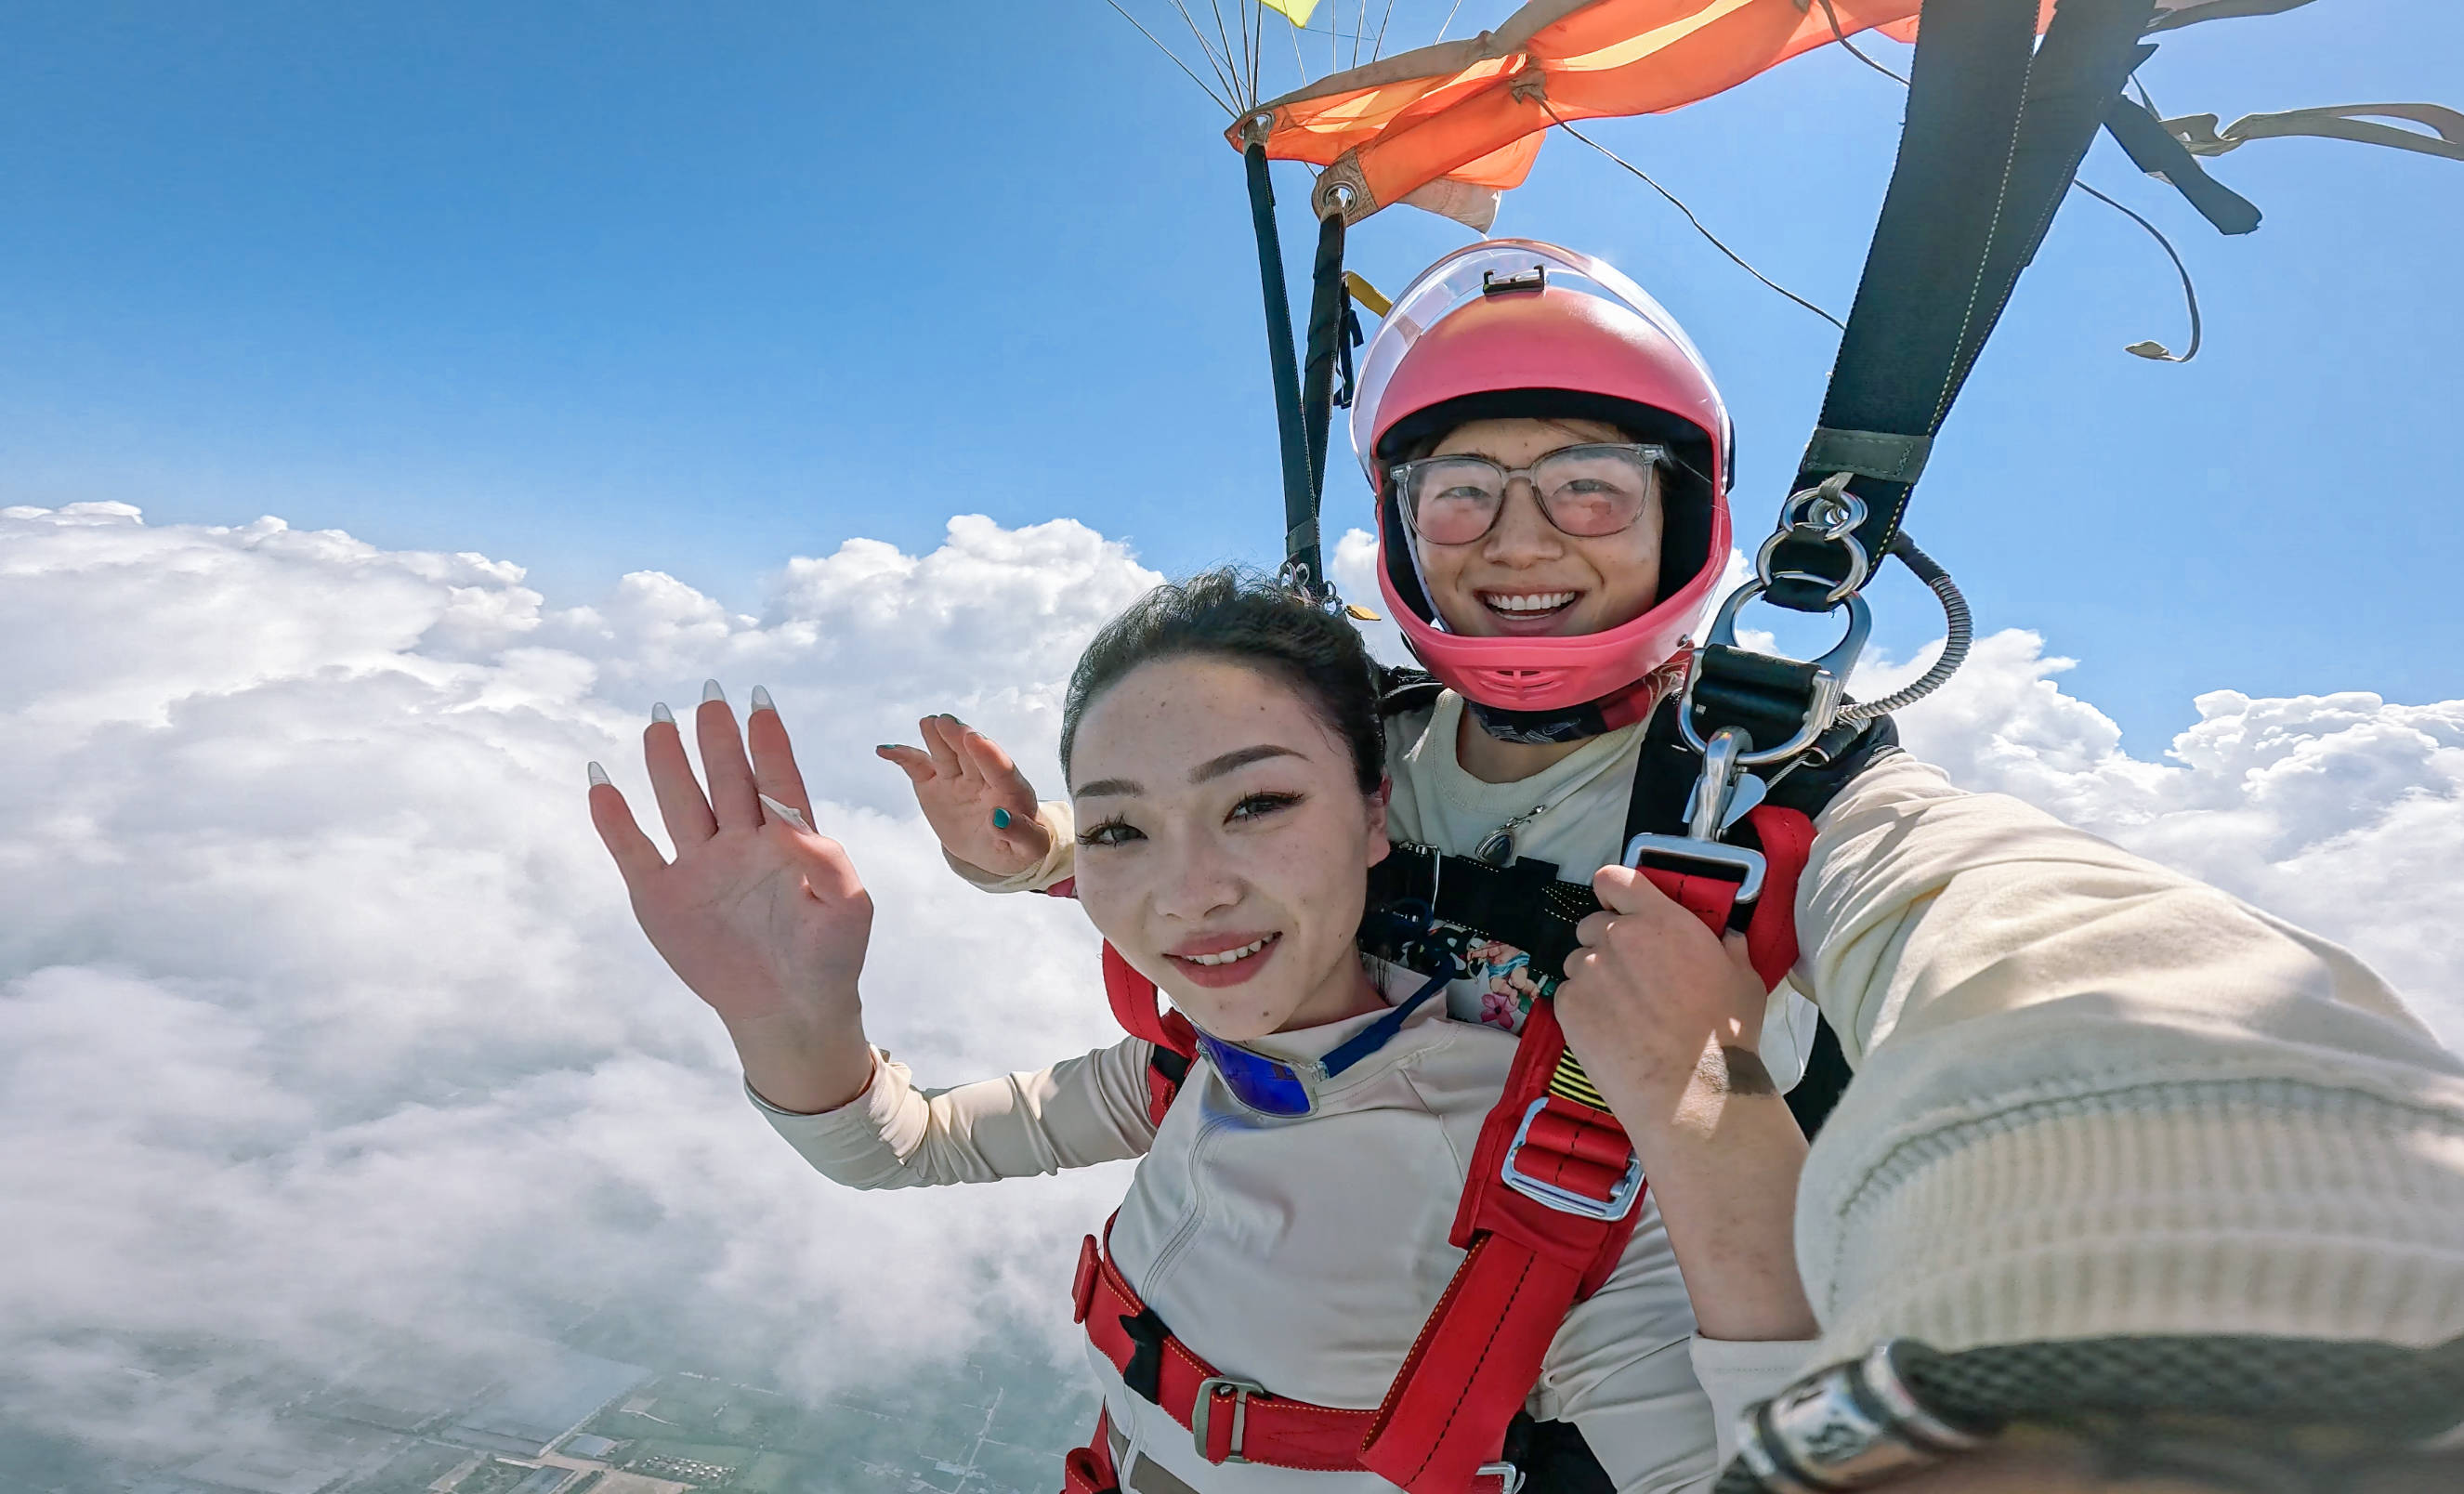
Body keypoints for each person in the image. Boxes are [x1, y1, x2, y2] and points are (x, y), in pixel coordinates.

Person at [883, 242, 2464, 1487]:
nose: (1517, 540)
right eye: (1462, 493)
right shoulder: (1362, 744)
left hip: (1575, 1375)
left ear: (1683, 514)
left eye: (1585, 487)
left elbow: (2026, 942)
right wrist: (1042, 866)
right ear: (1406, 533)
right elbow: (1238, 886)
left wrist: (2274, 1212)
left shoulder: (1796, 807)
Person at [587, 571, 1815, 1494]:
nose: (1186, 893)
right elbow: (891, 1148)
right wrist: (790, 1017)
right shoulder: (1186, 1072)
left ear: (1375, 815)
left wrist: (1725, 1117)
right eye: (1119, 830)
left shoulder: (1552, 1180)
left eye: (1259, 803)